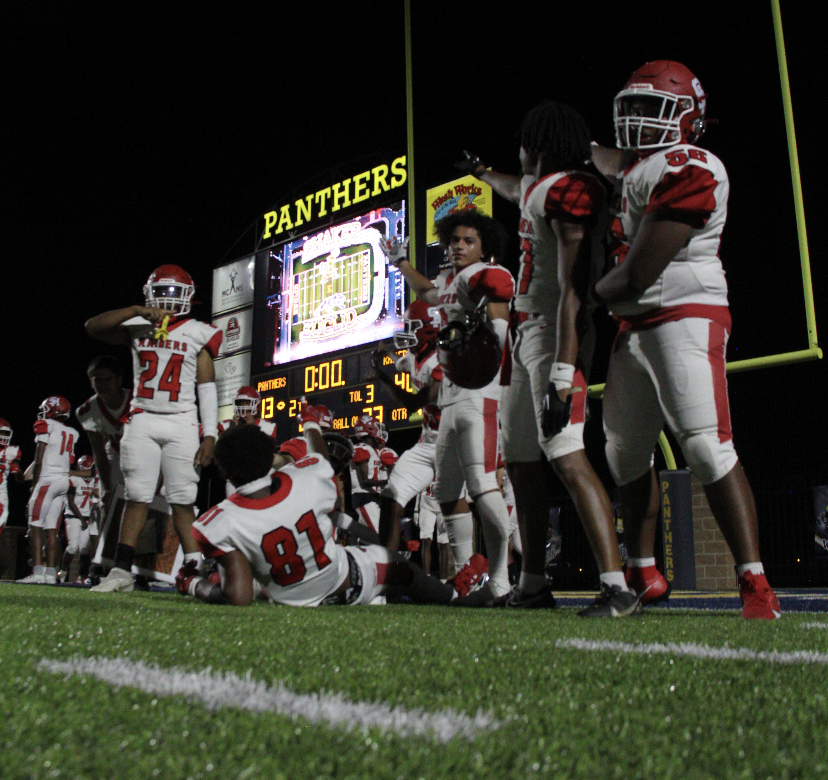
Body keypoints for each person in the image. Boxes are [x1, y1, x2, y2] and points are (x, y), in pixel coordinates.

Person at [589, 60, 780, 619]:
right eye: (635, 108)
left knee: (704, 445)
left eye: (655, 109)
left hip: (683, 312)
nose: (641, 121)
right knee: (624, 453)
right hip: (635, 327)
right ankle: (644, 572)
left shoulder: (690, 164)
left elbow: (637, 275)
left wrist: (576, 295)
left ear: (689, 118)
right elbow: (604, 158)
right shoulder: (638, 167)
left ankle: (755, 582)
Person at [455, 101, 640, 617]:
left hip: (554, 335)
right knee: (520, 462)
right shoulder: (543, 187)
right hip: (526, 333)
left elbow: (573, 288)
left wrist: (563, 368)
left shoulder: (570, 190)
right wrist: (482, 173)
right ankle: (533, 583)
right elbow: (518, 189)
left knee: (565, 452)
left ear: (536, 145)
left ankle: (616, 586)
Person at [180, 406, 457, 607]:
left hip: (288, 597)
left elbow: (236, 596)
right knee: (400, 567)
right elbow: (321, 459)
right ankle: (453, 595)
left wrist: (193, 584)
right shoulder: (307, 478)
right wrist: (310, 423)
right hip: (348, 584)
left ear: (224, 471)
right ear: (268, 456)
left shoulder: (218, 520)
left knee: (247, 574)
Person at [381, 210, 514, 604]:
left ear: (484, 248)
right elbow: (427, 293)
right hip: (454, 393)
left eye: (468, 241)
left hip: (480, 391)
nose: (458, 246)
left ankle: (502, 581)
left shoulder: (486, 276)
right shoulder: (452, 281)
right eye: (454, 239)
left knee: (482, 486)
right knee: (446, 490)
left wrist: (501, 381)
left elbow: (503, 333)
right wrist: (400, 261)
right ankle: (466, 575)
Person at [85, 264, 222, 593]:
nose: (168, 300)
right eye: (162, 293)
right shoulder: (136, 325)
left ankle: (193, 568)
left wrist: (209, 434)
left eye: (175, 293)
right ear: (149, 296)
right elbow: (93, 327)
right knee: (137, 496)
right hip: (143, 417)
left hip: (182, 420)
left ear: (189, 296)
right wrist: (134, 311)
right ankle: (120, 572)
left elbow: (207, 387)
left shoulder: (198, 331)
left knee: (182, 500)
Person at [75, 355, 133, 579]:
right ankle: (102, 562)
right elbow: (99, 452)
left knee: (149, 504)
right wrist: (106, 486)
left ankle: (147, 567)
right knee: (109, 509)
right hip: (115, 453)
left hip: (143, 454)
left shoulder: (137, 400)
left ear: (119, 379)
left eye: (107, 379)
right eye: (96, 380)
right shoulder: (87, 410)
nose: (101, 384)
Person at [19, 396, 77, 584]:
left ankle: (37, 573)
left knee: (35, 525)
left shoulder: (45, 425)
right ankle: (51, 575)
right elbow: (68, 461)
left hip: (47, 479)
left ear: (53, 410)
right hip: (63, 480)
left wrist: (35, 484)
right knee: (51, 530)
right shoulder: (71, 433)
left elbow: (39, 458)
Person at [61, 456, 99, 582]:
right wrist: (82, 519)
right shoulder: (74, 479)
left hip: (89, 517)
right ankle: (63, 573)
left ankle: (82, 576)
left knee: (84, 548)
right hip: (73, 516)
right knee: (73, 546)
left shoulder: (95, 481)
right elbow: (71, 502)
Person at [0, 418, 23, 538]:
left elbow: (19, 480)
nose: (3, 437)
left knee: (2, 519)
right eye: (1, 433)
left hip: (1, 493)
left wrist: (16, 468)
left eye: (5, 434)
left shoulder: (11, 451)